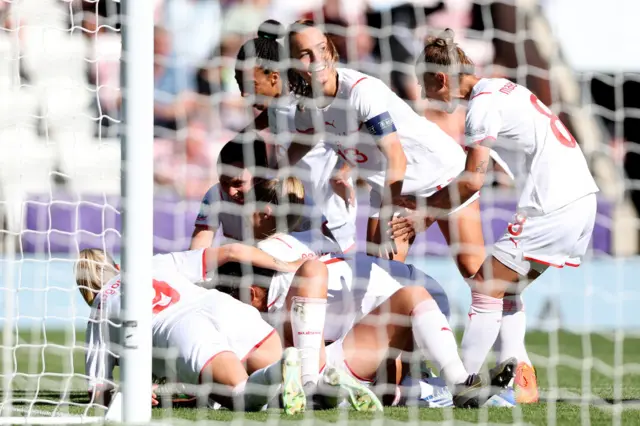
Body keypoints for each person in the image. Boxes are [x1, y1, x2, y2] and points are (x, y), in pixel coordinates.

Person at [392, 29, 599, 404]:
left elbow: (473, 180)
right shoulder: (502, 87)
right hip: (583, 199)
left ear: (441, 78)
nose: (424, 95)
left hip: (553, 203)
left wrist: (423, 215)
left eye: (425, 85)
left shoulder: (482, 104)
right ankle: (519, 375)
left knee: (485, 285)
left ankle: (459, 387)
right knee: (505, 289)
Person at [281, 19, 485, 275]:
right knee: (379, 276)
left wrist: (387, 214)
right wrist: (271, 177)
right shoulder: (307, 106)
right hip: (392, 186)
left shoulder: (360, 92)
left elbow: (396, 157)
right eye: (304, 54)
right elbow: (308, 140)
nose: (317, 58)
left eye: (321, 48)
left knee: (474, 272)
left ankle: (507, 311)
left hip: (439, 173)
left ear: (331, 48)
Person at [75, 247, 305, 414]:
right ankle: (297, 369)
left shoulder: (100, 308)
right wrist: (289, 266)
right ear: (116, 266)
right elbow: (230, 251)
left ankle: (279, 370)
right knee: (279, 397)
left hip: (183, 332)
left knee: (243, 398)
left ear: (86, 291)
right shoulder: (153, 264)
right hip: (226, 309)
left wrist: (127, 394)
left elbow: (98, 391)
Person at [234, 20, 358, 252]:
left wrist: (344, 170)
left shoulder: (309, 100)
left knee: (341, 265)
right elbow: (266, 121)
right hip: (294, 199)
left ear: (273, 77)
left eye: (251, 85)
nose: (246, 94)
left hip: (329, 200)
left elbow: (354, 131)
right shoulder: (274, 102)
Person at [190, 136, 270, 248]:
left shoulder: (282, 194)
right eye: (224, 183)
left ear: (260, 176)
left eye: (238, 183)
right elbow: (201, 240)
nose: (231, 192)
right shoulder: (215, 195)